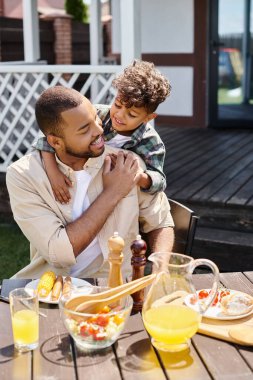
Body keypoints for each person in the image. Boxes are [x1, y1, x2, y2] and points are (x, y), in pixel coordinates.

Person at [6, 86, 174, 279]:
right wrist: (113, 192)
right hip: (51, 291)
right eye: (85, 129)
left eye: (96, 118)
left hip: (116, 289)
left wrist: (161, 270)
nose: (100, 130)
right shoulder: (23, 176)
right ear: (56, 142)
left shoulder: (126, 163)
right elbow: (60, 254)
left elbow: (160, 221)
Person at [34, 60, 171, 204]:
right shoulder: (96, 114)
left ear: (148, 118)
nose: (119, 115)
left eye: (132, 115)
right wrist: (53, 172)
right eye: (117, 105)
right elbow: (48, 139)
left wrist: (139, 176)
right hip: (81, 182)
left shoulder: (151, 142)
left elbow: (159, 181)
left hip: (120, 197)